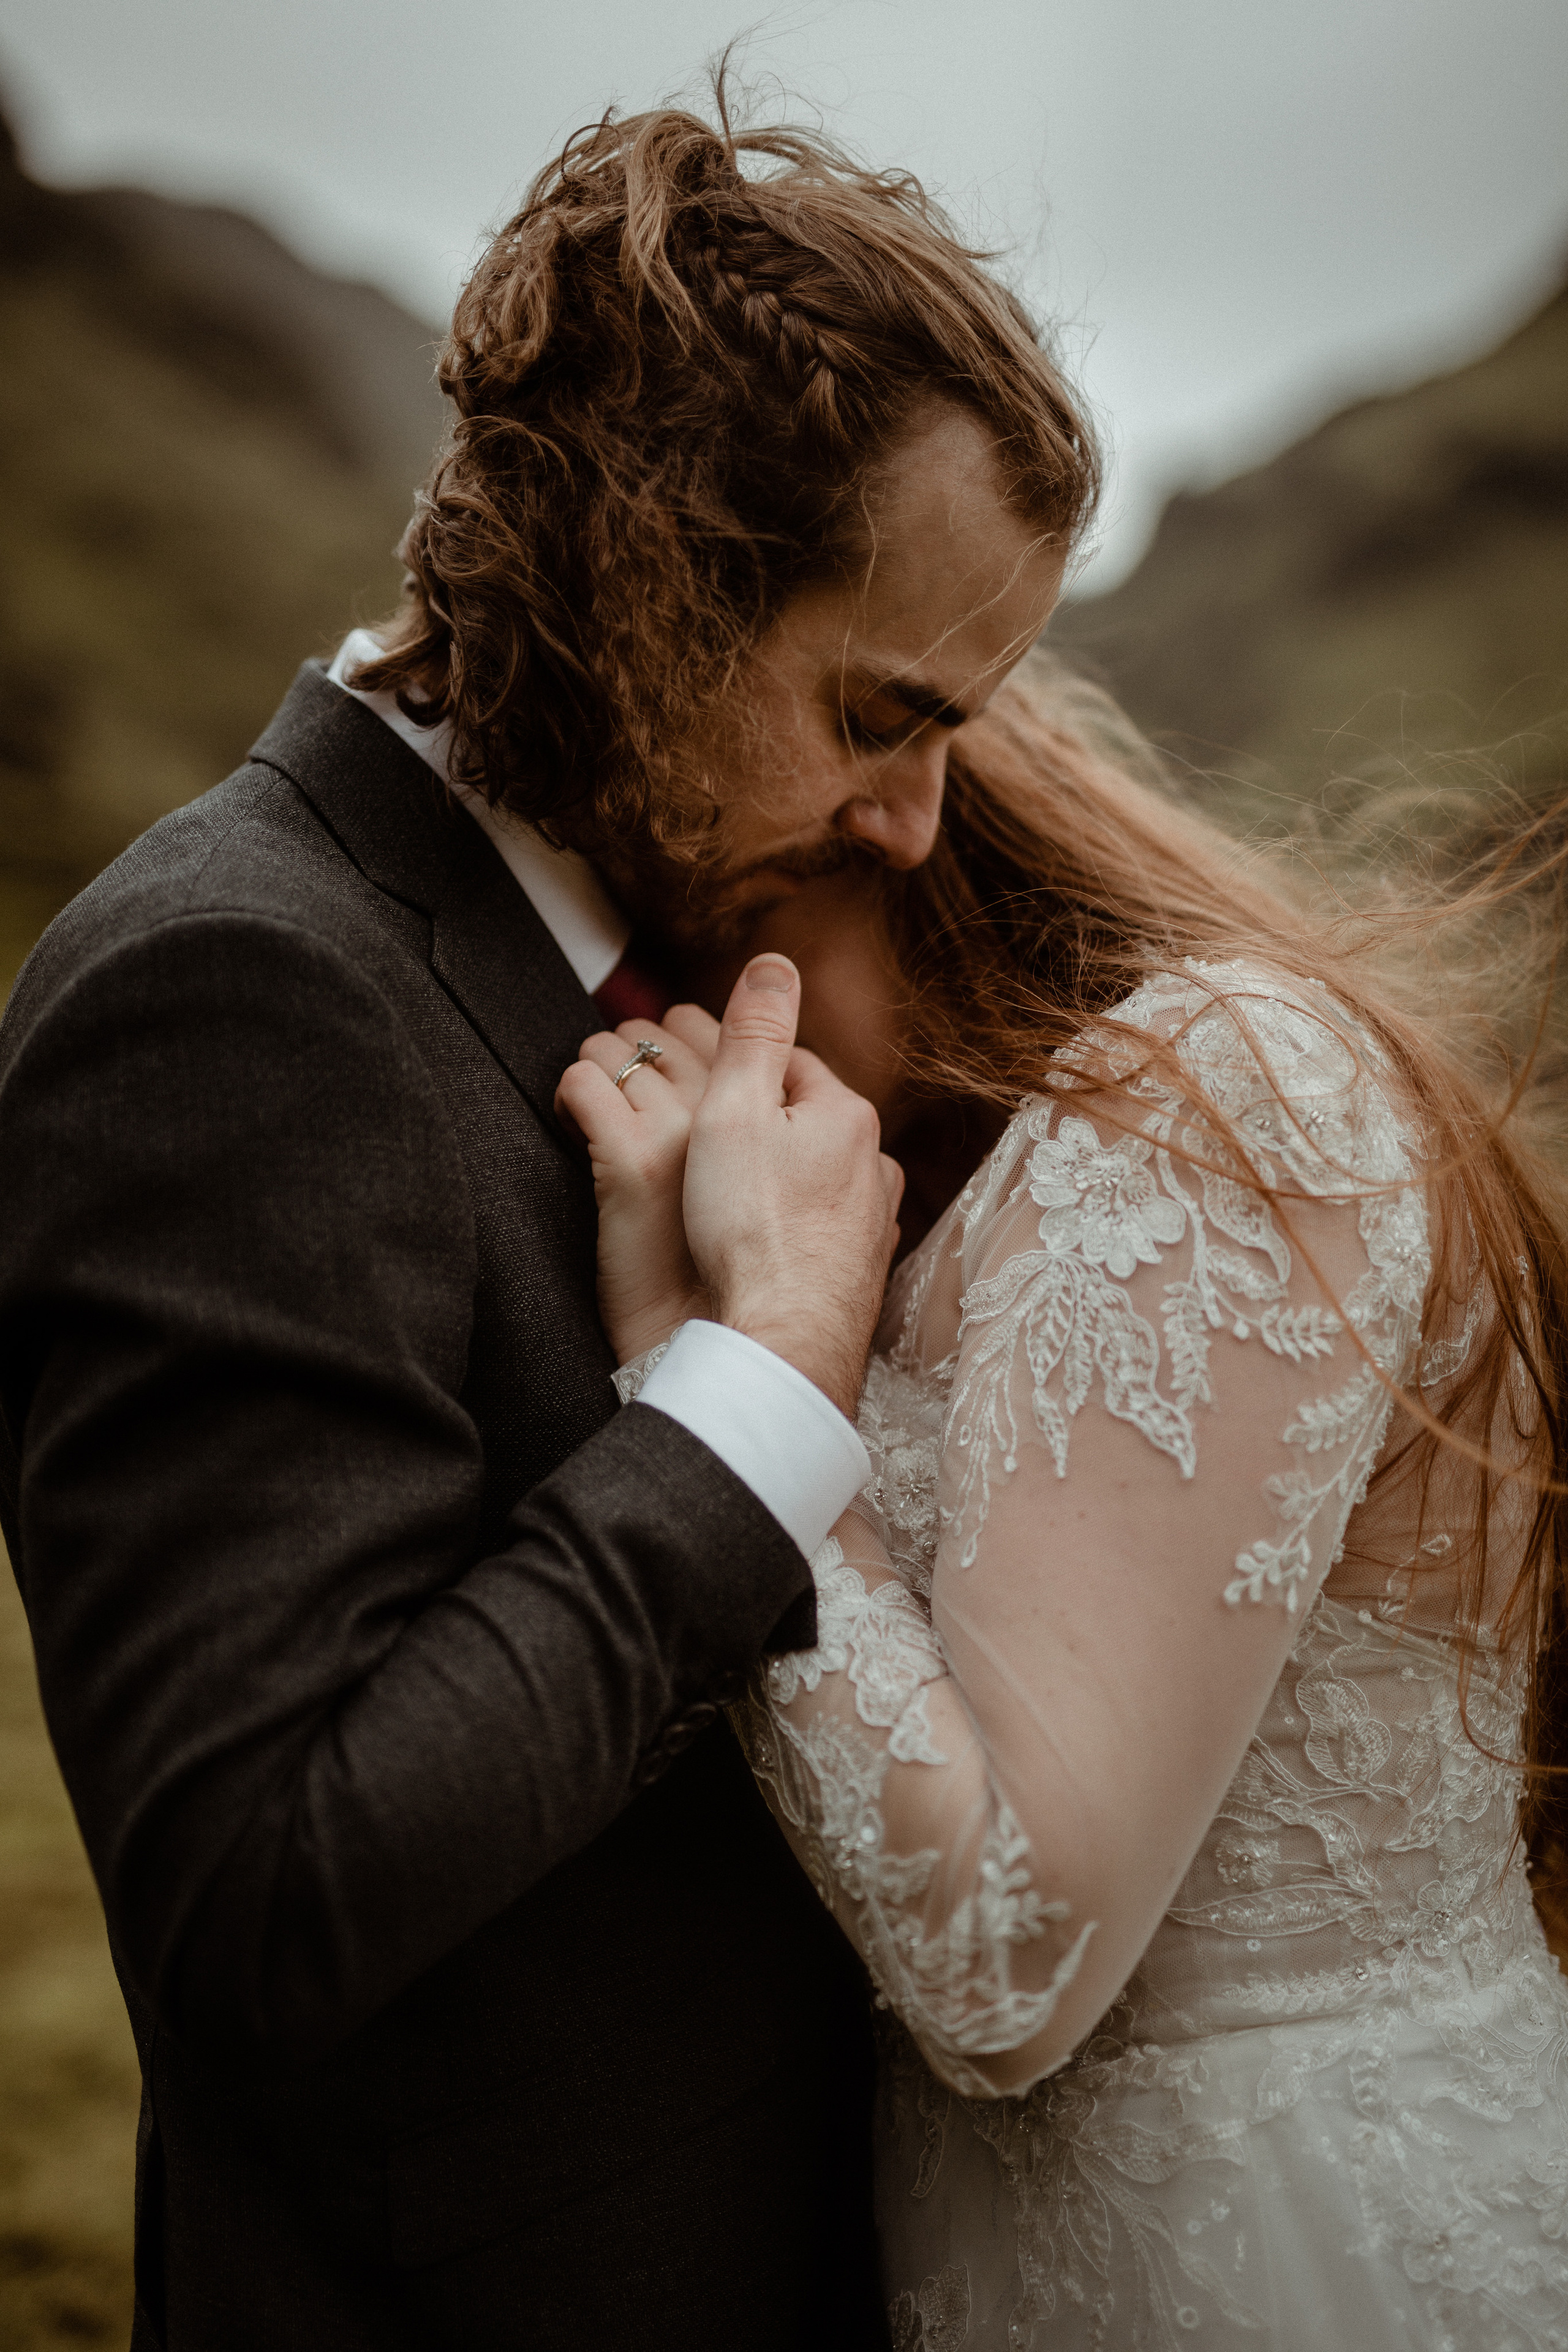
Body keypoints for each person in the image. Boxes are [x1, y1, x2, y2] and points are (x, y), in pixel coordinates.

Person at [0, 104, 1097, 2351]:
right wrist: (752, 1393)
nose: (916, 820)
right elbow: (262, 1894)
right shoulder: (227, 990)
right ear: (650, 579)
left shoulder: (650, 931)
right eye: (879, 717)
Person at [564, 665, 1568, 2349]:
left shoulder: (1216, 1095)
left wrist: (707, 1356)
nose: (663, 1031)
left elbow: (1004, 1959)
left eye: (687, 943)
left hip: (1306, 2255)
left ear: (883, 839)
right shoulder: (1017, 1174)